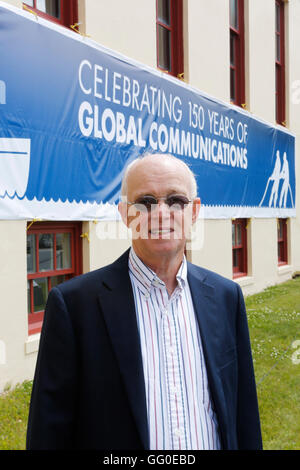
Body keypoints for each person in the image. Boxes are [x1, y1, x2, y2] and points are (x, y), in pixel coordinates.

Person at [26, 153, 262, 450]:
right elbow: (49, 431)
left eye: (176, 200)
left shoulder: (226, 296)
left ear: (194, 211)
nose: (161, 213)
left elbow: (244, 415)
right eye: (145, 202)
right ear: (125, 213)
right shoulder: (74, 306)